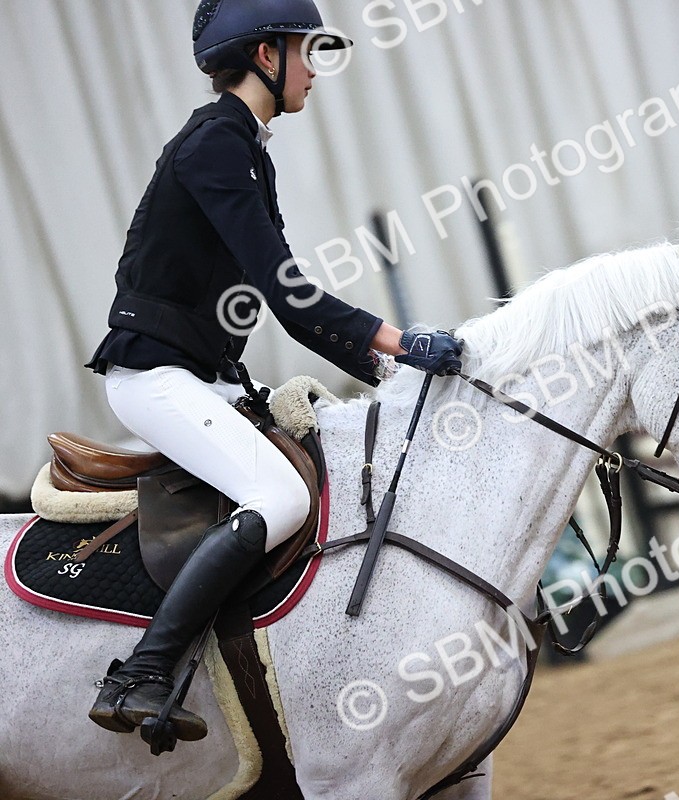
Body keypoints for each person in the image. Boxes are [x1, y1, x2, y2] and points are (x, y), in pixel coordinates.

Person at [85, 0, 462, 741]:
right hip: (153, 377)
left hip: (203, 375)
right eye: (306, 53)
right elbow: (290, 294)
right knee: (279, 498)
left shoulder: (245, 147)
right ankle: (141, 671)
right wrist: (400, 343)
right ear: (266, 56)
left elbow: (274, 304)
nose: (315, 72)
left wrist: (387, 371)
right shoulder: (214, 147)